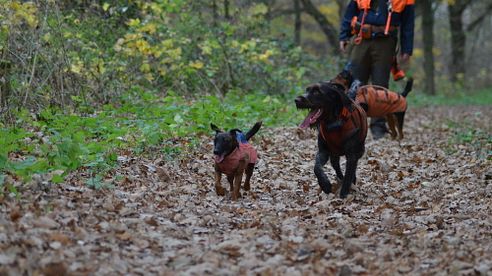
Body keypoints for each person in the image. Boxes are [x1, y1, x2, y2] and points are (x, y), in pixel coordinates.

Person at [339, 0, 415, 139]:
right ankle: (352, 124)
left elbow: (408, 24)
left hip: (385, 41)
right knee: (354, 83)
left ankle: (378, 128)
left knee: (380, 85)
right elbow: (350, 13)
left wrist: (407, 49)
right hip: (361, 39)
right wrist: (344, 36)